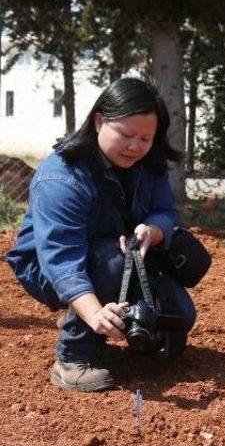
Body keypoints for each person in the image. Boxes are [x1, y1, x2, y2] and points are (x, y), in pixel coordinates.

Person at [6, 78, 197, 392]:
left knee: (179, 317)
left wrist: (154, 230)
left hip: (120, 254)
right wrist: (94, 313)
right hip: (49, 265)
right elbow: (61, 258)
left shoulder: (148, 165)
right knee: (110, 264)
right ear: (98, 121)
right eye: (125, 134)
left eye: (146, 138)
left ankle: (88, 317)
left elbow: (166, 210)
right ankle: (72, 357)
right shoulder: (62, 176)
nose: (135, 146)